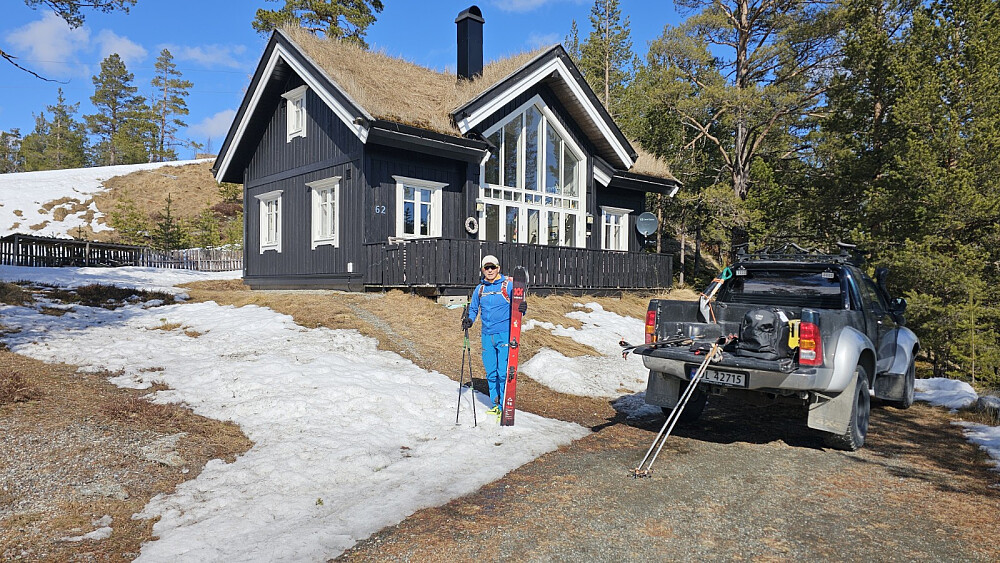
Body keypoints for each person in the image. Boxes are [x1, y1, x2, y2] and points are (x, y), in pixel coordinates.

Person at [462, 254, 527, 416]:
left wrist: (522, 307)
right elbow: (474, 309)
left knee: (503, 372)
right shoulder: (480, 289)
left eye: (492, 267)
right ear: (482, 270)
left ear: (498, 268)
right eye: (486, 267)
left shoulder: (507, 285)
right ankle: (496, 405)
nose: (489, 270)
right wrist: (469, 319)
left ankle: (506, 404)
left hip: (505, 334)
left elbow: (518, 304)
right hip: (486, 336)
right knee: (490, 372)